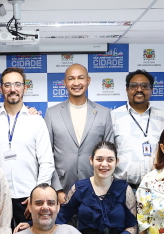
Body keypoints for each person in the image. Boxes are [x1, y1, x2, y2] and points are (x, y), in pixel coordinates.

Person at [0, 67, 54, 228]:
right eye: (7, 85)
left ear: (25, 88)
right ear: (1, 89)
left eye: (17, 84)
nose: (12, 89)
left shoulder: (36, 121)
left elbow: (47, 162)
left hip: (28, 197)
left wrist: (37, 196)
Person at [44, 63, 115, 204]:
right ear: (65, 82)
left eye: (80, 78)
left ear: (88, 81)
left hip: (96, 190)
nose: (76, 83)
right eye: (71, 79)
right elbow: (46, 155)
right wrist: (57, 191)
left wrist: (103, 188)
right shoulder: (52, 114)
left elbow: (109, 155)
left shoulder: (104, 113)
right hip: (62, 190)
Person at [111, 69, 164, 191]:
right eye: (134, 86)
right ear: (127, 89)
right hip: (122, 189)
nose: (139, 89)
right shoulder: (114, 116)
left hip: (156, 188)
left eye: (144, 86)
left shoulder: (162, 117)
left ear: (151, 89)